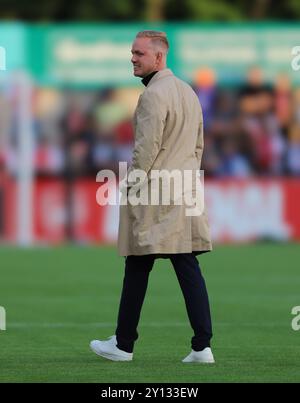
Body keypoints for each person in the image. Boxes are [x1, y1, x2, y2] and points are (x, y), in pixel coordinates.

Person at [90, 31, 214, 363]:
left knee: (138, 264)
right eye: (132, 52)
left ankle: (123, 344)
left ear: (158, 58)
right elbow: (199, 145)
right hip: (184, 189)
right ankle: (202, 346)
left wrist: (130, 186)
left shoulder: (152, 95)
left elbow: (145, 149)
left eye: (139, 53)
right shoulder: (188, 92)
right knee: (186, 265)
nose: (132, 57)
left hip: (157, 193)